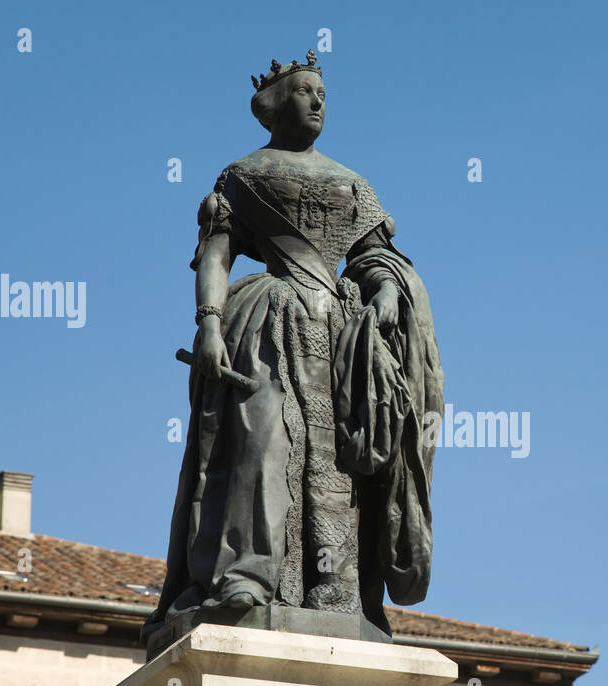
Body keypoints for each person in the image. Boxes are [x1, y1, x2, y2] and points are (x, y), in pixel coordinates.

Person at [143, 52, 442, 646]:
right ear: (275, 106)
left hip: (340, 335)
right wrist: (207, 323)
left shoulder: (352, 182)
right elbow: (216, 255)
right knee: (261, 441)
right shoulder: (242, 176)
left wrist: (385, 295)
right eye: (304, 91)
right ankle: (246, 575)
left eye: (322, 93)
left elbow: (377, 259)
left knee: (338, 461)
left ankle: (338, 590)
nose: (317, 101)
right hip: (265, 324)